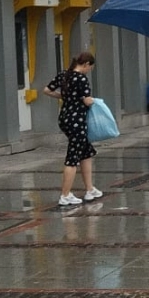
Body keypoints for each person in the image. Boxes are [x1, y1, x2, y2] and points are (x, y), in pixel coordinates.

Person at [45, 52, 101, 206]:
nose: (89, 70)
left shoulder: (64, 74)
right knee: (73, 157)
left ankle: (90, 189)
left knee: (86, 151)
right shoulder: (82, 79)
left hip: (65, 118)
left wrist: (64, 96)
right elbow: (87, 101)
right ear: (86, 64)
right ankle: (65, 195)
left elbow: (47, 90)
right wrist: (94, 101)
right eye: (90, 68)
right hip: (77, 121)